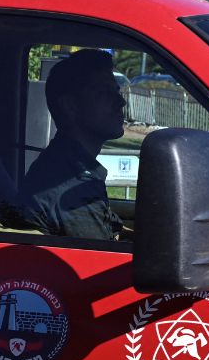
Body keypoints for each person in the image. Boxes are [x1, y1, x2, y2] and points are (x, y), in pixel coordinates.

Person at [20, 48, 128, 240]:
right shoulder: (68, 186)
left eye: (116, 91)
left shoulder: (70, 170)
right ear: (70, 105)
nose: (120, 101)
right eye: (104, 92)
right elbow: (100, 262)